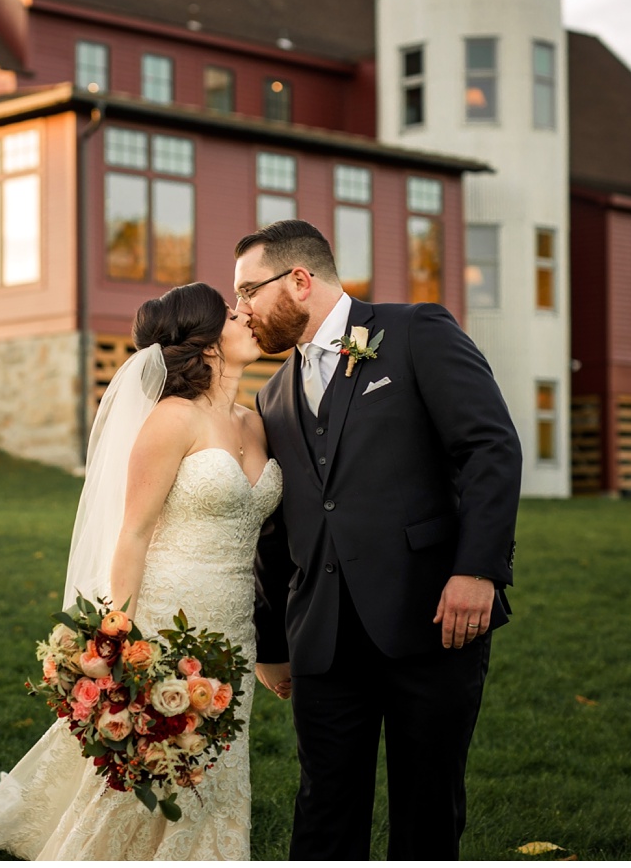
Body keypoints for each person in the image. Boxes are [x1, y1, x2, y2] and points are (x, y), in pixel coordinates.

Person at [0, 282, 281, 859]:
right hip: (168, 613)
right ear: (205, 343)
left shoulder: (255, 424)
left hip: (234, 620)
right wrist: (118, 635)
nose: (248, 319)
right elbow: (132, 532)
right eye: (233, 315)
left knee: (220, 759)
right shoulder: (170, 421)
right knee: (153, 757)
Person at [236, 219, 520, 861]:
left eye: (249, 292)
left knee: (426, 805)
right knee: (323, 807)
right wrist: (274, 643)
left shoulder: (415, 331)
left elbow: (490, 448)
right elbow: (274, 526)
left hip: (434, 616)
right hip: (325, 640)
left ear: (299, 281)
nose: (242, 310)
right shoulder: (273, 396)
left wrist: (478, 570)